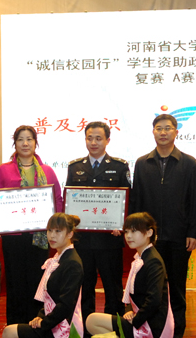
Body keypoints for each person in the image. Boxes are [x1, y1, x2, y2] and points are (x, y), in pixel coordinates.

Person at [130, 114, 196, 338]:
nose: (163, 132)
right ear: (153, 132)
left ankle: (177, 332)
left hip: (179, 236)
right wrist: (137, 233)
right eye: (159, 128)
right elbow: (137, 200)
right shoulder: (142, 163)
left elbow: (195, 201)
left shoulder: (189, 163)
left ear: (176, 132)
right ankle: (152, 330)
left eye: (168, 128)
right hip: (150, 239)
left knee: (177, 288)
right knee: (150, 289)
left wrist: (193, 232)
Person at [0, 125, 64, 325]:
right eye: (20, 139)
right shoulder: (3, 170)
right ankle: (15, 324)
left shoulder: (47, 171)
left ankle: (36, 322)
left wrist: (57, 226)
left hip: (40, 236)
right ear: (14, 143)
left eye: (29, 139)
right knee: (15, 281)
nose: (25, 143)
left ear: (35, 142)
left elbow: (57, 199)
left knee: (38, 280)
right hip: (13, 237)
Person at [65, 121, 129, 329]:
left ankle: (114, 329)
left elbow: (128, 200)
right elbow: (70, 202)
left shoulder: (119, 167)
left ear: (107, 140)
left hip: (110, 240)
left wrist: (121, 223)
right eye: (89, 138)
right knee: (84, 287)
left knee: (113, 288)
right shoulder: (75, 167)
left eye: (98, 138)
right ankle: (86, 329)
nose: (93, 142)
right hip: (83, 241)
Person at [86, 212, 174, 338]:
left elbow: (154, 300)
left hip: (151, 326)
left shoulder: (153, 260)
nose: (128, 236)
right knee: (92, 321)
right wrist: (130, 312)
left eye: (134, 231)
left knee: (94, 322)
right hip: (141, 319)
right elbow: (134, 295)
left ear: (149, 233)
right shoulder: (141, 257)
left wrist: (135, 320)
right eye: (126, 232)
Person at [2, 213, 84, 338]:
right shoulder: (58, 258)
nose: (52, 235)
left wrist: (44, 323)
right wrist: (40, 317)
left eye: (58, 231)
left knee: (9, 332)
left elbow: (66, 305)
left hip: (63, 326)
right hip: (52, 321)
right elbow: (49, 297)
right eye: (49, 230)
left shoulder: (72, 262)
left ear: (70, 234)